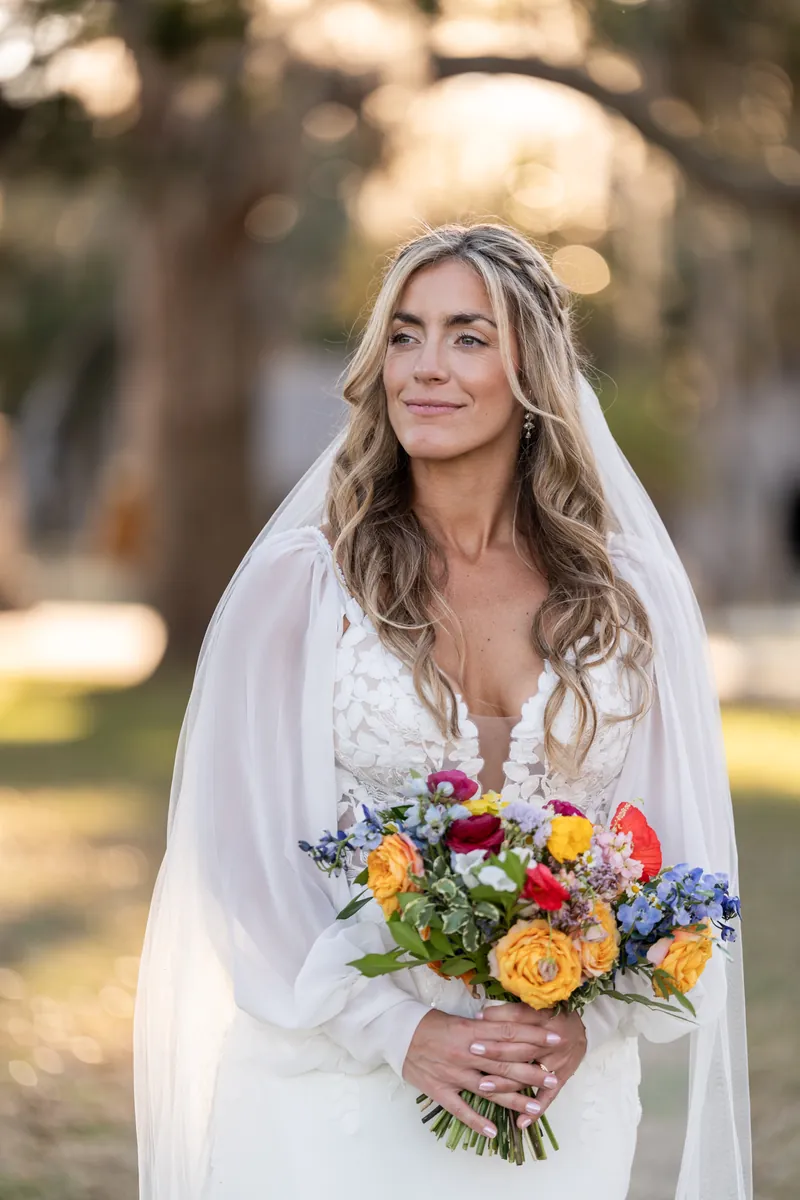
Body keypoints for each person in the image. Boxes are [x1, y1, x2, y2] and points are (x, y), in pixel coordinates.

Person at [133, 223, 751, 1199]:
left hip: (555, 1090)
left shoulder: (626, 598)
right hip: (336, 1085)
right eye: (404, 335)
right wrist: (401, 1032)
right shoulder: (303, 586)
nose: (425, 367)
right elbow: (237, 858)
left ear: (533, 371)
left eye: (468, 336)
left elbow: (675, 853)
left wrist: (585, 1019)